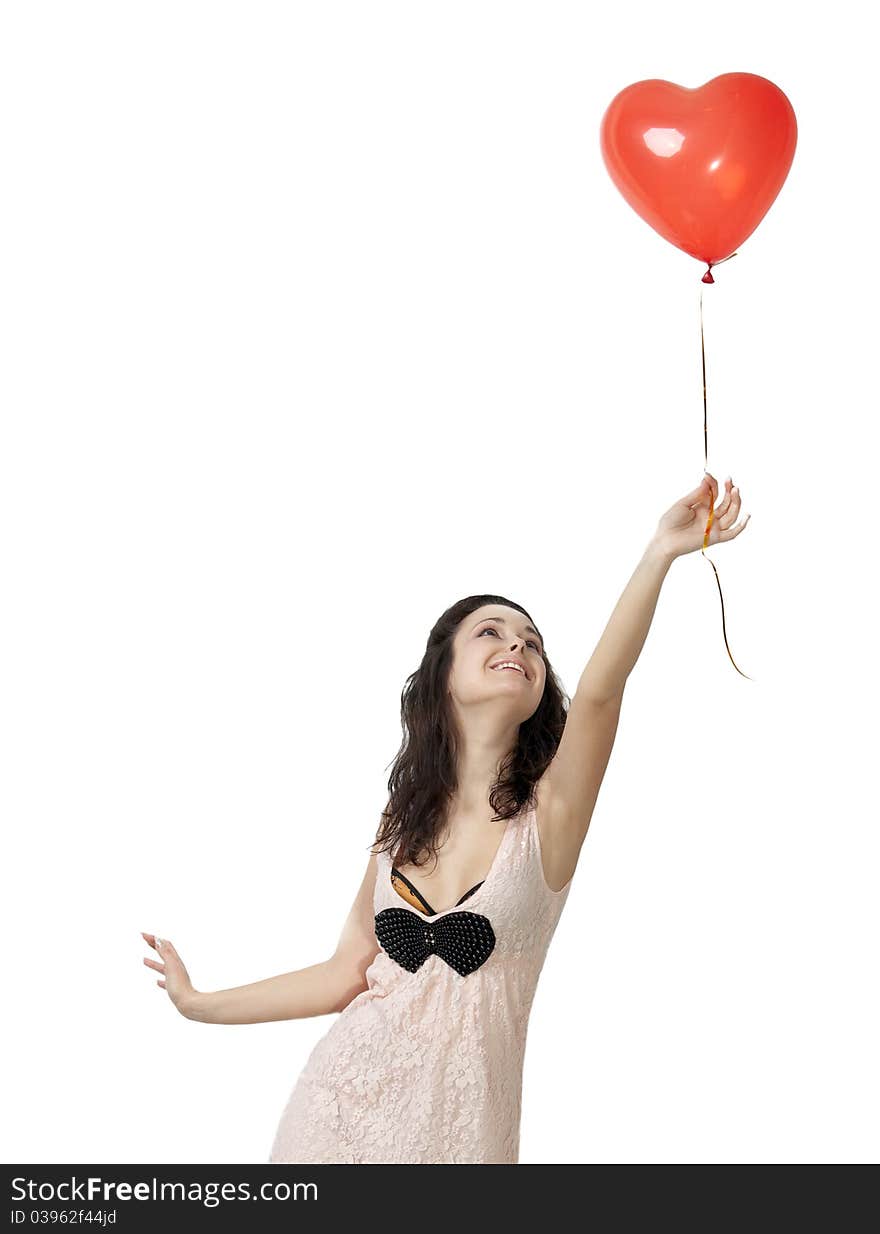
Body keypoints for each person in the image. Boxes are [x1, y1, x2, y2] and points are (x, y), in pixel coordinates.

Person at [142, 473, 748, 1163]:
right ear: (443, 674)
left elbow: (604, 694)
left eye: (532, 643)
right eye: (492, 633)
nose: (517, 647)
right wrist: (201, 1002)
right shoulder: (399, 826)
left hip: (459, 1145)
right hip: (335, 1121)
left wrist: (660, 552)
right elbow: (346, 973)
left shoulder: (550, 817)